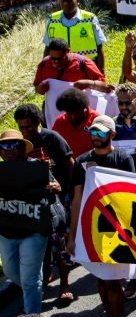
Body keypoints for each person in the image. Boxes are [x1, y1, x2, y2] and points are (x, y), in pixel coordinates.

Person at [67, 115, 135, 317]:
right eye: (92, 132)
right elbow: (77, 199)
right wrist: (72, 235)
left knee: (111, 280)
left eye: (100, 132)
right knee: (101, 278)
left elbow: (130, 195)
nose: (95, 136)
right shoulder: (81, 161)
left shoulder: (123, 159)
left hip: (116, 229)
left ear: (112, 134)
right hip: (92, 228)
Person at [0, 130, 60, 315]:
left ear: (22, 148)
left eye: (14, 146)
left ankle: (32, 312)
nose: (9, 150)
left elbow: (57, 186)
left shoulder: (37, 168)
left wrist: (54, 187)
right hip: (7, 231)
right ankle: (34, 285)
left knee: (29, 280)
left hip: (34, 230)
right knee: (11, 272)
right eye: (4, 146)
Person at [44, 0, 106, 71]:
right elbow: (47, 48)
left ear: (78, 0)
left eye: (69, 0)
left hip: (86, 69)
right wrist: (45, 71)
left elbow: (99, 48)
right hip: (61, 70)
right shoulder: (52, 20)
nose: (66, 3)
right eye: (63, 0)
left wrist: (101, 72)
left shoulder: (90, 19)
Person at [32, 38, 106, 95]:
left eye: (60, 58)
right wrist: (40, 89)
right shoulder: (44, 63)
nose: (56, 62)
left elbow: (103, 86)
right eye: (53, 58)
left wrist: (88, 83)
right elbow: (37, 88)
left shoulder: (83, 63)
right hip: (53, 110)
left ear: (68, 51)